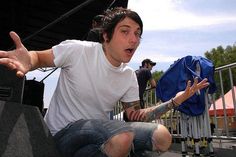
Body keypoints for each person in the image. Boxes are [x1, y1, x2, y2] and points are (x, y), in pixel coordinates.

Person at [0, 7, 209, 157]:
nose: (134, 39)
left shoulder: (128, 77)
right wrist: (29, 60)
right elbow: (39, 57)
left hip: (98, 138)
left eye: (138, 34)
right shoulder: (78, 50)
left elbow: (135, 116)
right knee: (122, 136)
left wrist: (175, 101)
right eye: (125, 31)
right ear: (106, 36)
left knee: (162, 137)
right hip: (62, 134)